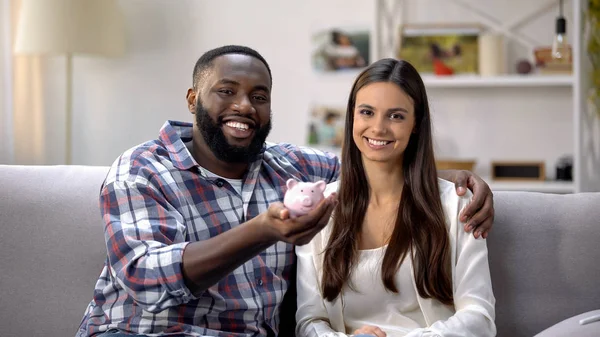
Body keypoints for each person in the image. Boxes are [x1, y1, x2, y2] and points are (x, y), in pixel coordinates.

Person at [76, 45, 495, 337]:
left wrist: (454, 178)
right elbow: (146, 278)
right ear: (192, 99)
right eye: (227, 91)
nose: (244, 106)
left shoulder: (292, 169)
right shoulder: (140, 170)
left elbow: (372, 159)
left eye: (259, 96)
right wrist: (262, 230)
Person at [295, 58, 496, 337]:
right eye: (367, 112)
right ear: (352, 115)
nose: (378, 128)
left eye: (396, 116)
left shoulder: (457, 205)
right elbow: (309, 321)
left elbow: (479, 317)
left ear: (415, 123)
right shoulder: (319, 208)